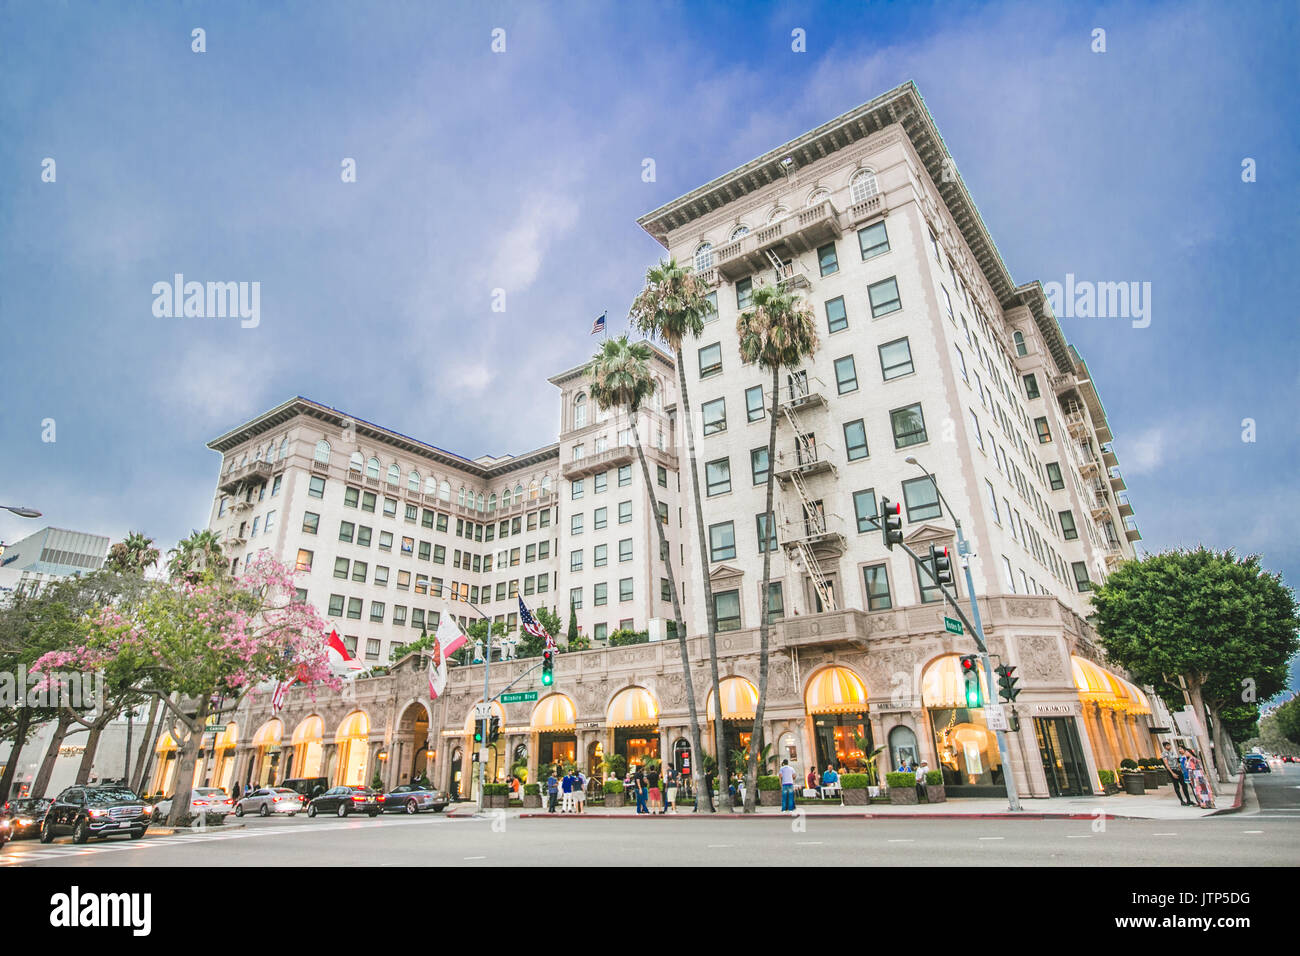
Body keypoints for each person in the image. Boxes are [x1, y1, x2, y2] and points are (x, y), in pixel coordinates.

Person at [1161, 741, 1193, 806]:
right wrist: (1172, 773)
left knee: (1184, 784)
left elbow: (1177, 761)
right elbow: (1166, 764)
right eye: (1168, 745)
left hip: (1178, 769)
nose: (1169, 746)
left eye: (1169, 745)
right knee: (1176, 786)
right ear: (1165, 747)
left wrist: (1181, 769)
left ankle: (1188, 800)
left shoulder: (1172, 752)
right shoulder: (1164, 754)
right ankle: (1181, 801)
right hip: (1172, 770)